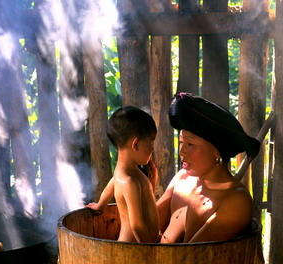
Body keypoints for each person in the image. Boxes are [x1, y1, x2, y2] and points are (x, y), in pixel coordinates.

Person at [157, 92, 261, 243]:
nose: (181, 151)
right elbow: (149, 230)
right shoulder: (182, 178)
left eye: (190, 144)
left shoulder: (236, 201)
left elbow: (194, 254)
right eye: (181, 142)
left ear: (217, 151)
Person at [86, 106, 160, 243]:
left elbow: (112, 184)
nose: (152, 150)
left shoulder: (125, 174)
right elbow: (137, 227)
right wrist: (151, 250)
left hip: (141, 244)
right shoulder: (129, 182)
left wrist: (101, 205)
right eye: (150, 144)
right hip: (133, 248)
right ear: (136, 144)